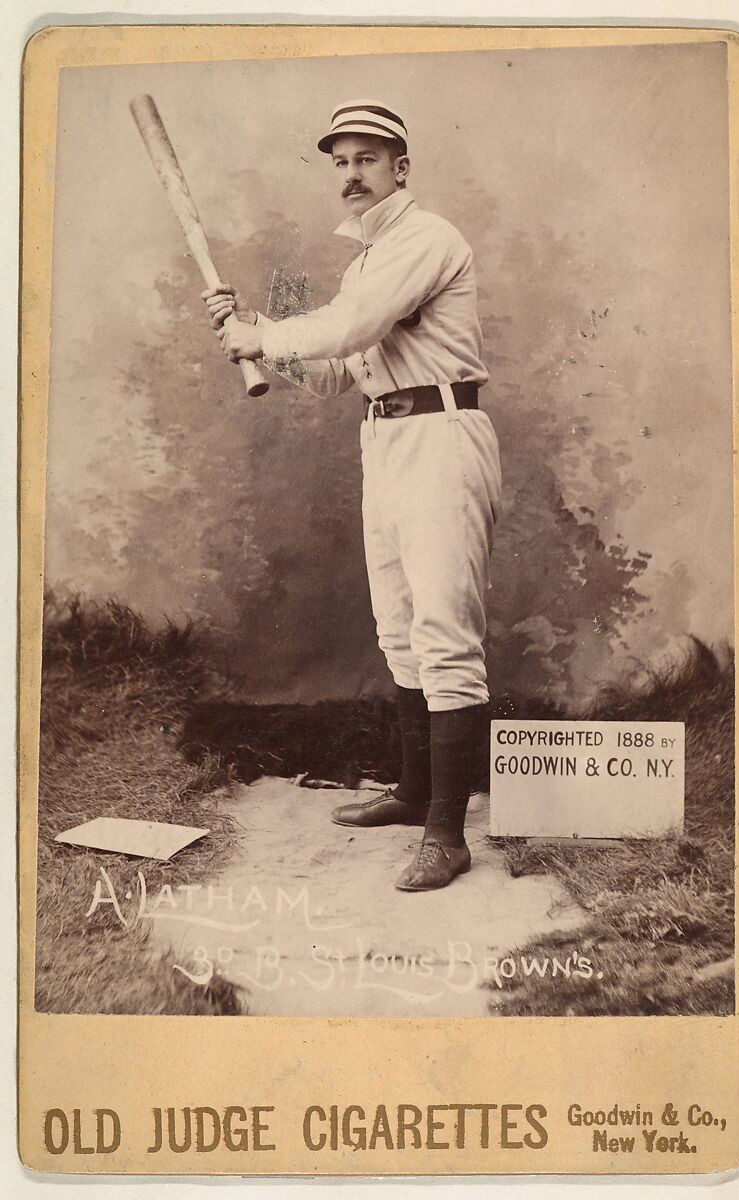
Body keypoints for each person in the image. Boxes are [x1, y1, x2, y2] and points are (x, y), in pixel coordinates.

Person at [203, 100, 501, 891]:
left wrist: (267, 334)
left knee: (443, 632)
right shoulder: (361, 263)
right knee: (398, 629)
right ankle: (412, 795)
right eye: (339, 162)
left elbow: (349, 325)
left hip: (443, 438)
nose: (350, 174)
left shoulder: (427, 239)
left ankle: (448, 833)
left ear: (401, 168)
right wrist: (251, 324)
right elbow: (333, 370)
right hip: (385, 439)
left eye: (367, 159)